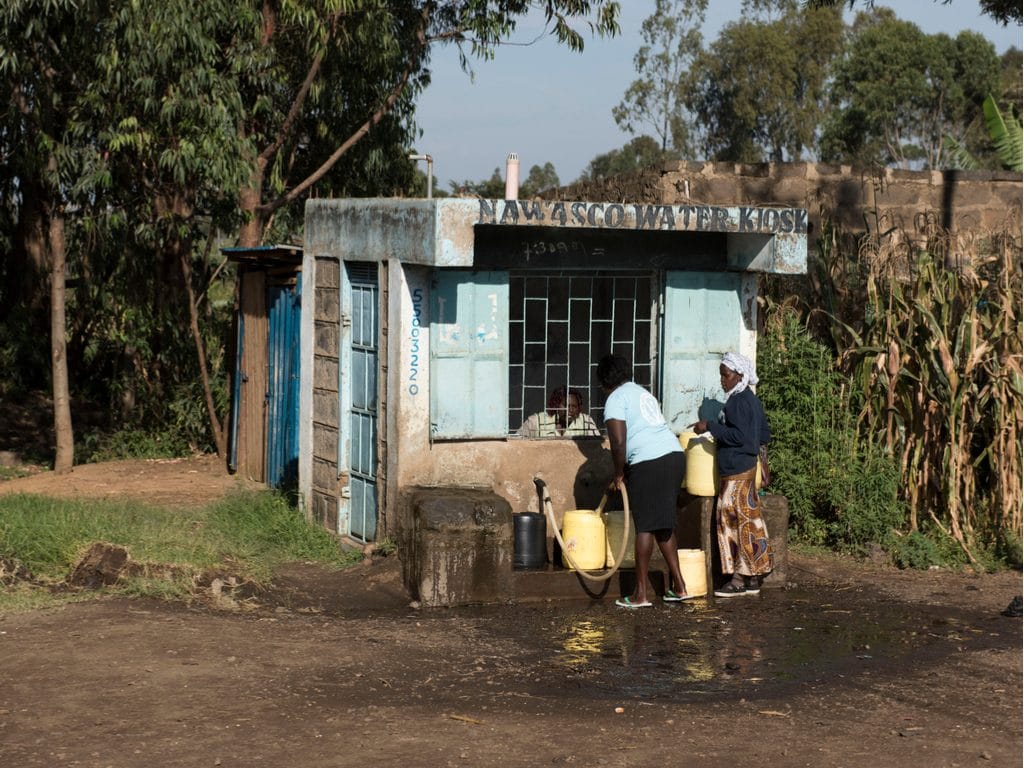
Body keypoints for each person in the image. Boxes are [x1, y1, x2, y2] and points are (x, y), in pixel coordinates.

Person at [596, 353, 692, 608]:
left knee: (646, 526)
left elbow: (618, 442)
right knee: (664, 523)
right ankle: (680, 587)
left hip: (650, 462)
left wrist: (618, 474)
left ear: (604, 380)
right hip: (673, 456)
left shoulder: (615, 399)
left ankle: (640, 595)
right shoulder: (641, 392)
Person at [691, 351, 773, 597]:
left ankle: (737, 579)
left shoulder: (738, 402)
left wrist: (710, 427)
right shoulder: (751, 400)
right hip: (747, 472)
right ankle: (754, 578)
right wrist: (764, 464)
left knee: (732, 524)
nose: (722, 380)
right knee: (750, 523)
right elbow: (763, 436)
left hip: (736, 474)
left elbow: (743, 438)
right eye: (721, 375)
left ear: (739, 375)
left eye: (725, 375)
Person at [518, 386, 600, 438]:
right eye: (565, 405)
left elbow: (597, 446)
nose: (570, 410)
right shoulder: (536, 421)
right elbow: (517, 440)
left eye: (574, 406)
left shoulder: (586, 422)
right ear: (556, 405)